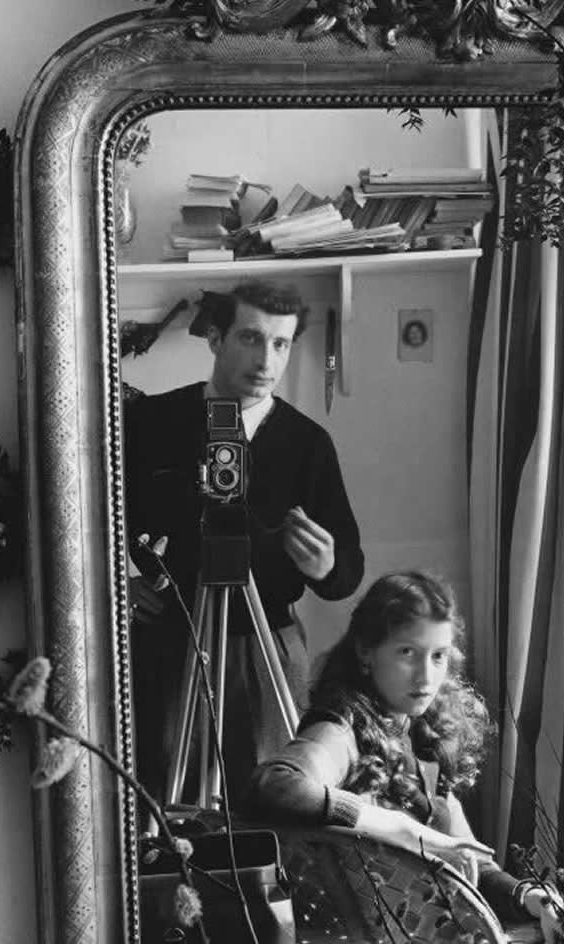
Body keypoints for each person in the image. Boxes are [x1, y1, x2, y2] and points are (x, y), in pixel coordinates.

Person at [123, 279, 364, 808]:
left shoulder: (307, 444)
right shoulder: (149, 423)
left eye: (281, 344)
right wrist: (119, 583)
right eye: (251, 338)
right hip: (169, 638)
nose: (266, 359)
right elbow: (93, 524)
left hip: (266, 643)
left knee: (274, 796)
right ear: (216, 339)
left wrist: (325, 565)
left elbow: (347, 571)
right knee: (161, 797)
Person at [245, 571, 564, 942]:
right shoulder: (340, 729)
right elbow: (273, 785)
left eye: (438, 656)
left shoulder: (424, 735)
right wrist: (400, 828)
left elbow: (470, 863)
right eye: (407, 653)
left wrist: (529, 896)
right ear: (366, 651)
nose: (425, 676)